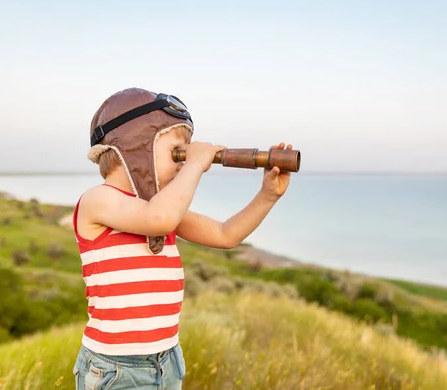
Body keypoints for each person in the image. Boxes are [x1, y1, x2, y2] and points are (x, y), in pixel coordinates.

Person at [71, 87, 292, 389]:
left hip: (167, 360)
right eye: (177, 151)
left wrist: (267, 196)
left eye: (184, 154)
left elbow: (225, 234)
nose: (182, 162)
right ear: (136, 148)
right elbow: (159, 218)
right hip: (117, 367)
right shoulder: (99, 200)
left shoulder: (160, 207)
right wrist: (195, 165)